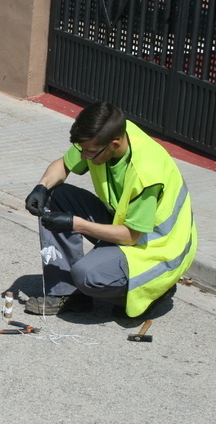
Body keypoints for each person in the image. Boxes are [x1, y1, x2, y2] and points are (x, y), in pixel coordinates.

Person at [24, 102, 197, 318]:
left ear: (114, 144)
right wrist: (42, 186)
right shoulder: (109, 134)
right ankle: (68, 294)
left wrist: (74, 223)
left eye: (90, 152)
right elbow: (64, 165)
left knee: (87, 274)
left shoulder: (145, 173)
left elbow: (132, 236)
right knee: (55, 195)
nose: (85, 156)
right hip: (126, 224)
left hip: (157, 247)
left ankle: (153, 289)